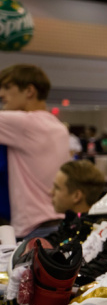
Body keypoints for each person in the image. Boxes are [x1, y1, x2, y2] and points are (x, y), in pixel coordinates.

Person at [0, 64, 71, 238]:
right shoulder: (59, 127)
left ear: (29, 91)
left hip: (34, 230)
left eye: (8, 88)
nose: (1, 94)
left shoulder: (24, 123)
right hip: (58, 224)